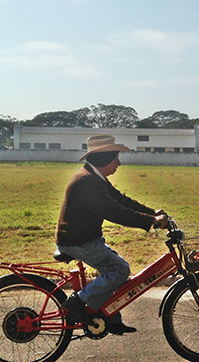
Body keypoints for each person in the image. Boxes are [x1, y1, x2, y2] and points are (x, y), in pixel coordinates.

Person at [56, 134, 168, 335]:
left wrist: (152, 213)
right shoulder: (88, 181)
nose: (119, 162)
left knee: (116, 271)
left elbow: (121, 200)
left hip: (85, 239)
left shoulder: (93, 176)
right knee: (120, 270)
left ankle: (110, 318)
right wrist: (150, 222)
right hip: (77, 242)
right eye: (115, 157)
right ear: (104, 158)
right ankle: (77, 302)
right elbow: (114, 212)